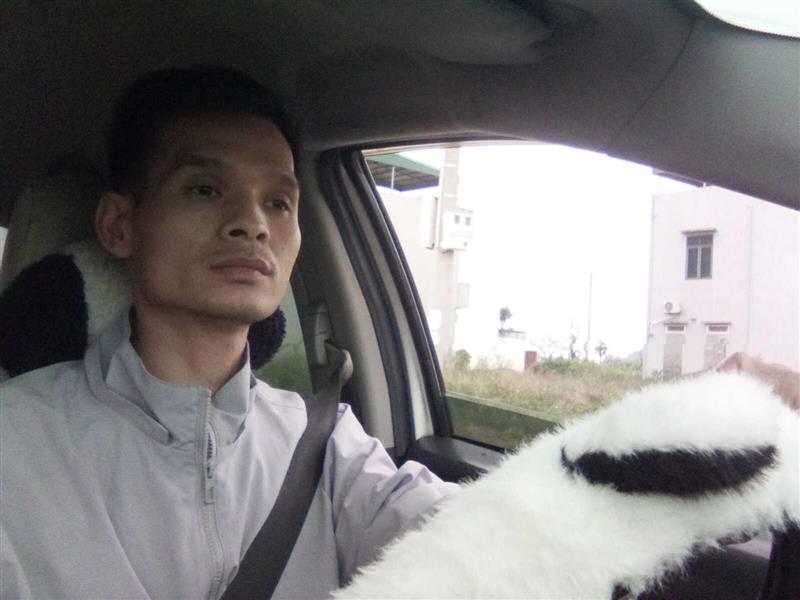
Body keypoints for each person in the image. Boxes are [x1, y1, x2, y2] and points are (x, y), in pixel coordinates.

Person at [0, 66, 457, 600]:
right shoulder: (15, 443)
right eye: (205, 189)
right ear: (119, 225)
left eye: (278, 203)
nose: (253, 223)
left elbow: (467, 543)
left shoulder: (328, 444)